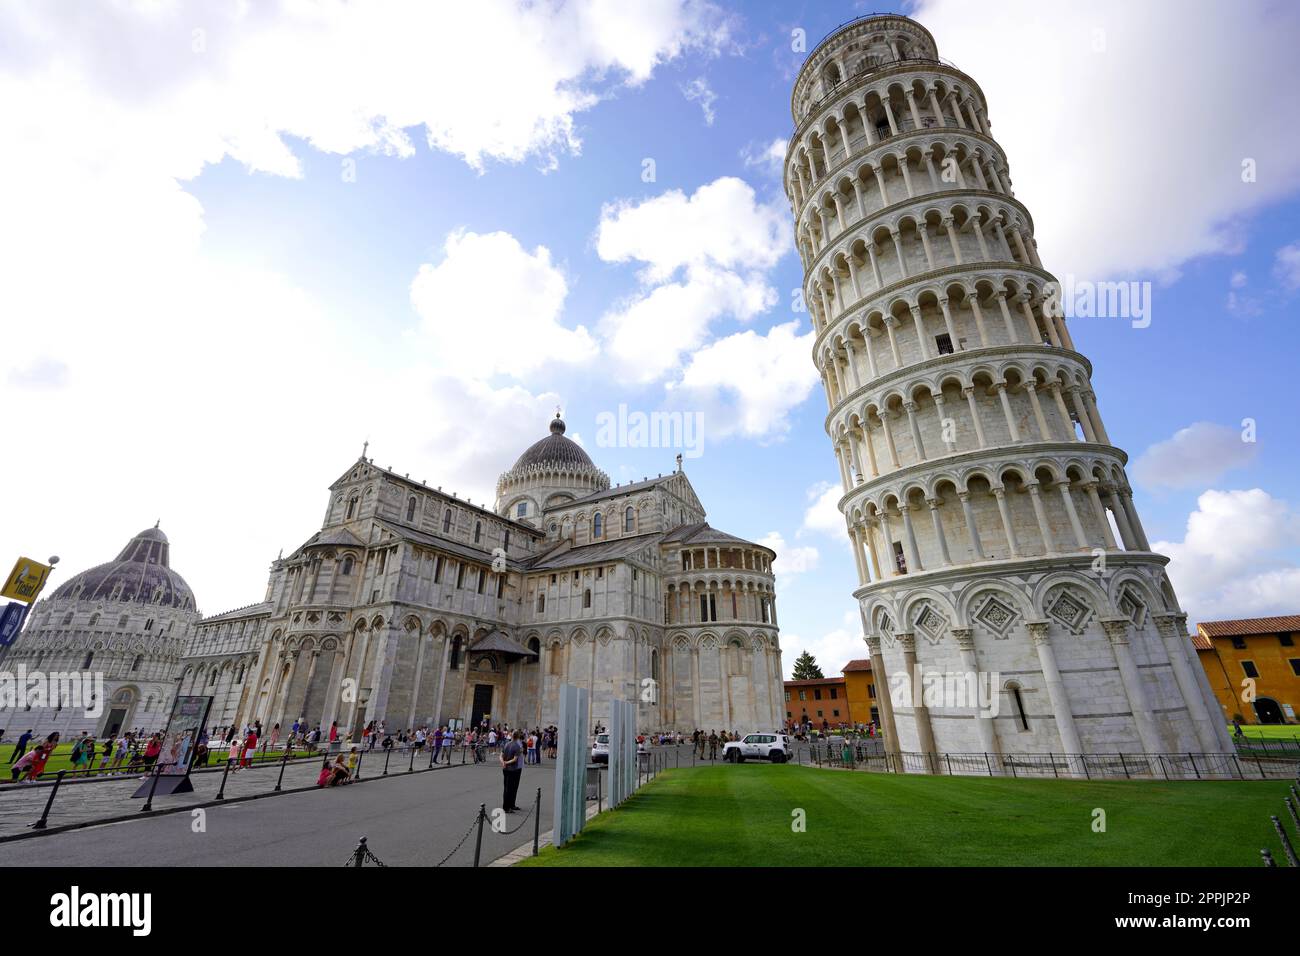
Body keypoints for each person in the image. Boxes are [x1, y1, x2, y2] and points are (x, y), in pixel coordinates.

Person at [500, 730, 524, 812]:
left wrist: (503, 762)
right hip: (514, 769)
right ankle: (506, 807)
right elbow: (515, 759)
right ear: (518, 737)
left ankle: (511, 805)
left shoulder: (507, 744)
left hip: (506, 769)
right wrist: (506, 762)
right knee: (511, 788)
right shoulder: (517, 746)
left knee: (507, 788)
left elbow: (501, 755)